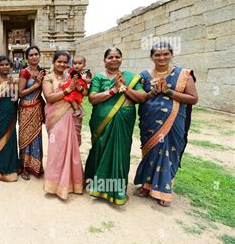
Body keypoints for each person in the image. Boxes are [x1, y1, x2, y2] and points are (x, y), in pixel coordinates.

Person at [134, 42, 198, 207]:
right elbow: (139, 96)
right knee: (151, 152)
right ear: (151, 57)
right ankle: (146, 185)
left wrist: (168, 92)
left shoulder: (183, 74)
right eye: (157, 55)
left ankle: (164, 190)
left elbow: (193, 98)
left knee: (169, 151)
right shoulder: (144, 75)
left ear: (171, 55)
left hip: (173, 120)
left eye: (165, 54)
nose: (161, 57)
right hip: (150, 120)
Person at [85, 47, 147, 205]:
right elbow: (92, 98)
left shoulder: (131, 78)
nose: (114, 59)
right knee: (100, 149)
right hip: (101, 120)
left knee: (120, 152)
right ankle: (98, 187)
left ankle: (117, 190)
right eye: (110, 57)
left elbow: (142, 97)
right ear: (104, 60)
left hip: (124, 119)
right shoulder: (98, 78)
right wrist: (113, 90)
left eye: (117, 56)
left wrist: (124, 88)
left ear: (121, 59)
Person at [42, 51, 87, 199]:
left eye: (64, 62)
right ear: (54, 62)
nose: (62, 64)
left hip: (71, 116)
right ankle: (54, 184)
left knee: (72, 148)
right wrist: (68, 89)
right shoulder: (48, 78)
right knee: (57, 149)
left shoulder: (72, 76)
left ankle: (73, 183)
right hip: (56, 117)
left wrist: (78, 88)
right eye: (59, 61)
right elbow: (49, 98)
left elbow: (85, 92)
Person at [17, 46, 46, 180]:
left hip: (37, 108)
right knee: (25, 138)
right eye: (31, 55)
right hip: (25, 109)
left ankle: (36, 166)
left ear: (39, 56)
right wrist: (35, 85)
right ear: (27, 58)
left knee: (36, 137)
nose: (34, 57)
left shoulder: (42, 72)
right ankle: (24, 168)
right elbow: (20, 93)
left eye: (36, 54)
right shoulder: (24, 72)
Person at [0, 55, 19, 182]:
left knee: (10, 141)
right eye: (1, 65)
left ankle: (11, 168)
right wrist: (9, 87)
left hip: (10, 115)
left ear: (11, 66)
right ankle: (0, 170)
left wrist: (13, 87)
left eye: (7, 64)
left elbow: (15, 98)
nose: (4, 67)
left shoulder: (13, 80)